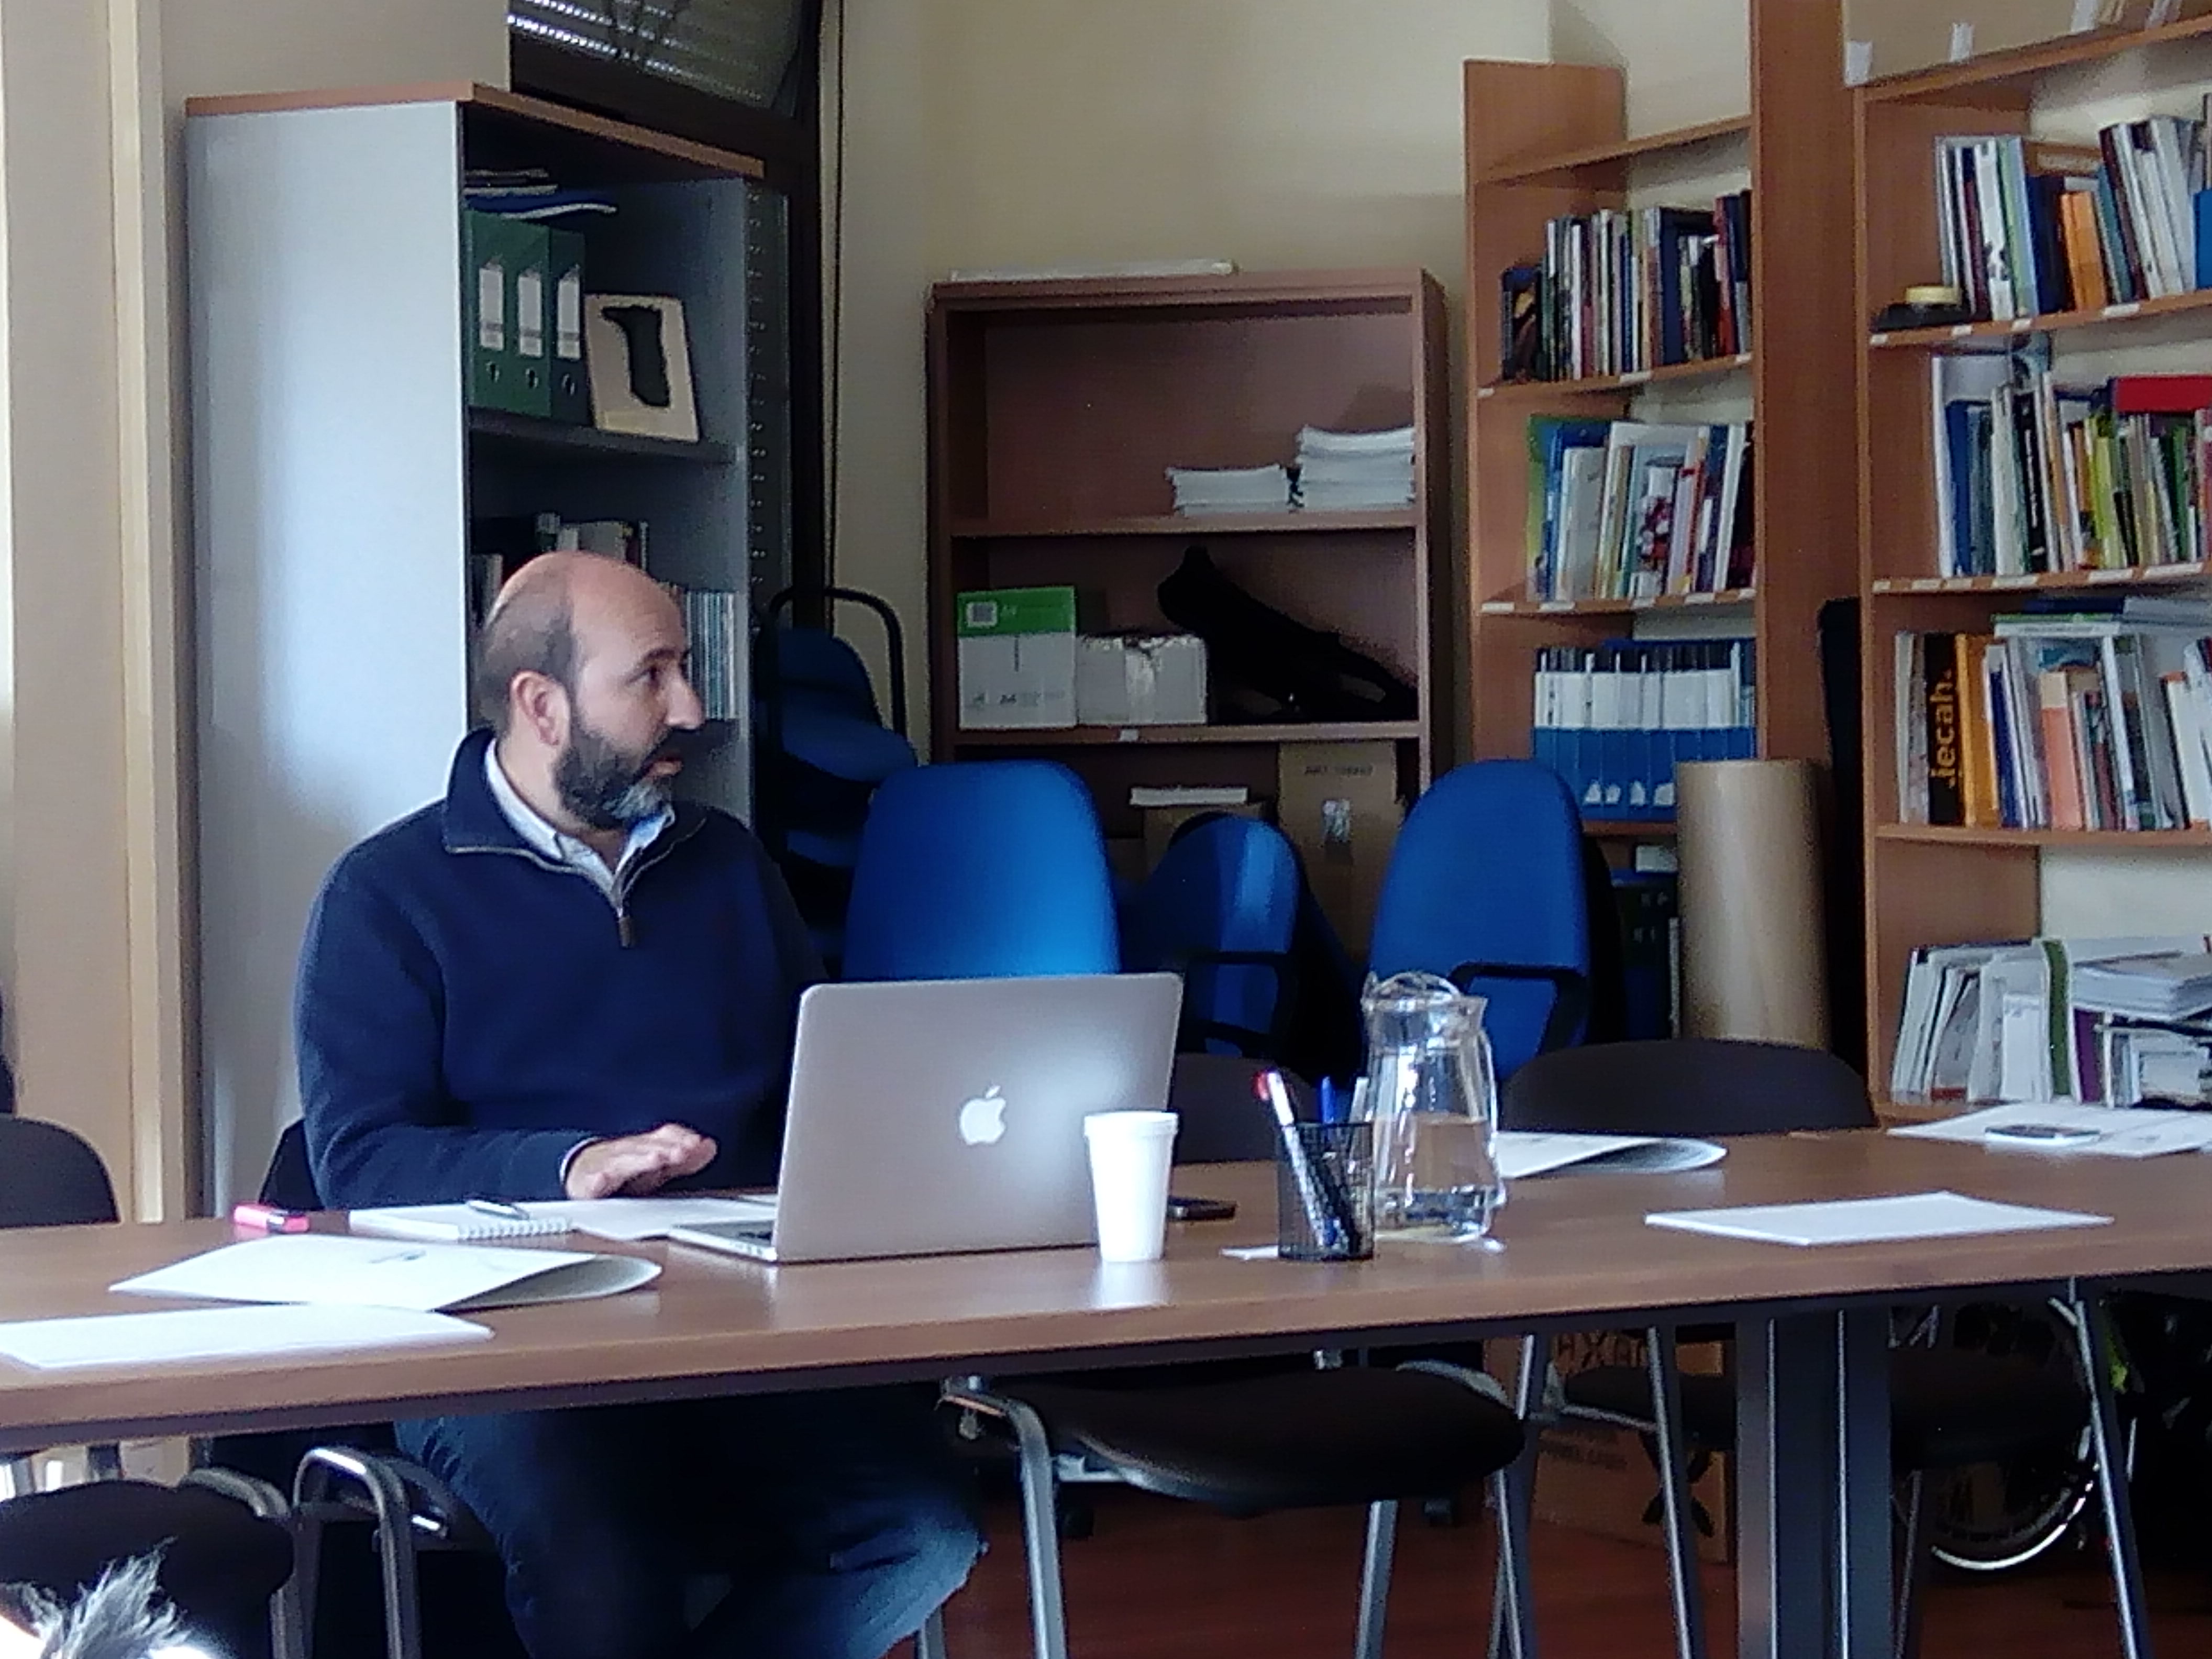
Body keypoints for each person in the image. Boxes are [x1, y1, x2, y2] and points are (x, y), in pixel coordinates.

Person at [295, 552, 979, 1659]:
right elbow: (361, 1164)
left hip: (733, 1322)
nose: (692, 709)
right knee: (603, 1563)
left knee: (923, 1532)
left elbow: (817, 1089)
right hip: (501, 1340)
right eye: (650, 676)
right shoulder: (387, 895)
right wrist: (567, 1168)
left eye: (686, 669)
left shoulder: (728, 864)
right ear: (542, 705)